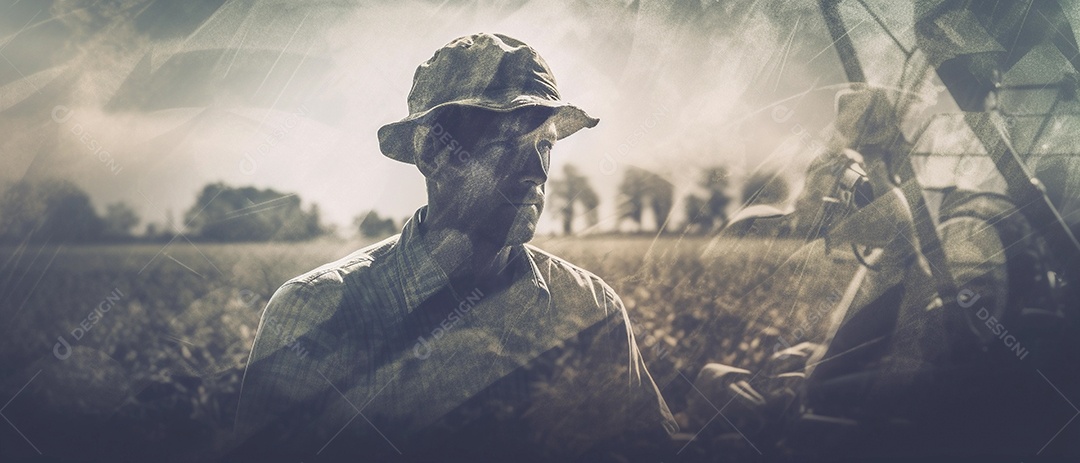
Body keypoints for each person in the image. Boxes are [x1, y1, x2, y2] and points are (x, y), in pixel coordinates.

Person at [230, 33, 677, 462]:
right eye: (506, 144)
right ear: (431, 154)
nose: (537, 172)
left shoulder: (590, 309)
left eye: (544, 145)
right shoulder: (310, 311)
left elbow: (650, 450)